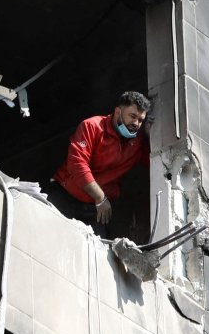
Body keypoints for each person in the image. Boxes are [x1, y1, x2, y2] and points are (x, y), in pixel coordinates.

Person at [51, 91, 150, 235]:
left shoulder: (138, 143)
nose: (136, 124)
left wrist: (149, 135)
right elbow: (77, 165)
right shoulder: (92, 126)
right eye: (132, 116)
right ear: (118, 112)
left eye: (141, 120)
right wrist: (100, 198)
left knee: (98, 252)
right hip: (65, 195)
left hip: (95, 209)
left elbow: (156, 162)